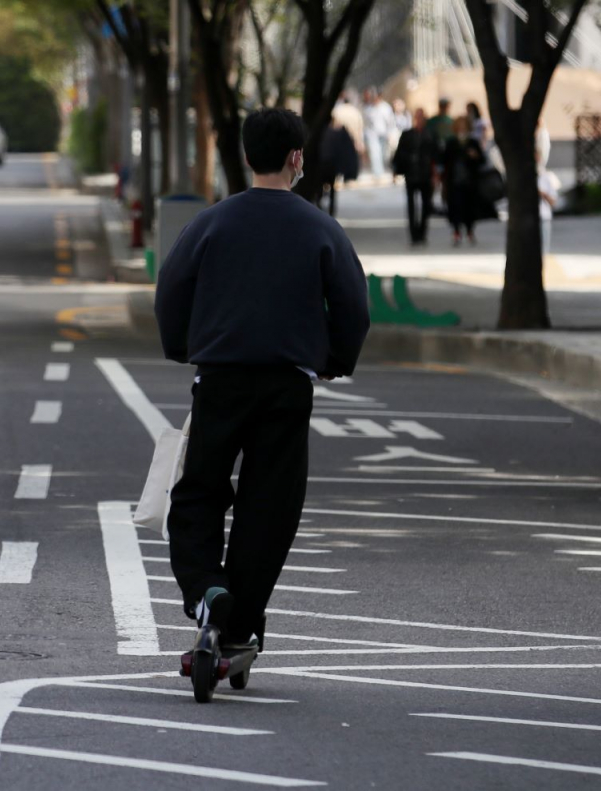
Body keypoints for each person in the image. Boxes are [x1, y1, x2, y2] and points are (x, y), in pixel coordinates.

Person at [154, 108, 370, 647]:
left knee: (199, 490)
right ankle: (242, 620)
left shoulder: (210, 222)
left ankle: (206, 589)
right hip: (286, 386)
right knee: (269, 505)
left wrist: (182, 348)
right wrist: (335, 359)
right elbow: (353, 306)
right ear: (297, 159)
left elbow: (171, 291)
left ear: (247, 156)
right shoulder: (320, 228)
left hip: (219, 379)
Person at [392, 108, 436, 244]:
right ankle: (413, 234)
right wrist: (396, 171)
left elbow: (436, 155)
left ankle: (422, 233)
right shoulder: (407, 135)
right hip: (411, 174)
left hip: (425, 174)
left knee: (425, 205)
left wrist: (436, 175)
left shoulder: (430, 135)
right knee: (411, 205)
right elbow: (399, 154)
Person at [442, 116, 484, 246]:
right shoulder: (451, 143)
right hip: (454, 181)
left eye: (464, 126)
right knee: (455, 207)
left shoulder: (473, 142)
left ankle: (470, 231)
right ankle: (456, 232)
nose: (462, 129)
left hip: (469, 181)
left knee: (470, 207)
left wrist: (475, 156)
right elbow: (444, 160)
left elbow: (482, 160)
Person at [317, 116, 359, 217]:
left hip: (322, 166)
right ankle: (330, 212)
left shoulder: (320, 134)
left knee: (320, 190)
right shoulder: (335, 134)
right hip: (331, 166)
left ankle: (320, 209)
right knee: (331, 191)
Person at [361, 88, 393, 180]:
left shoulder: (386, 108)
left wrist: (390, 133)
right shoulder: (368, 109)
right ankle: (378, 173)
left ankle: (381, 169)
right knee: (375, 154)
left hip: (383, 134)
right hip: (372, 135)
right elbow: (365, 123)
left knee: (383, 154)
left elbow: (390, 122)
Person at [537, 147, 561, 255]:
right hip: (527, 218)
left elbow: (554, 201)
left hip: (543, 217)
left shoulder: (546, 177)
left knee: (543, 250)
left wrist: (542, 194)